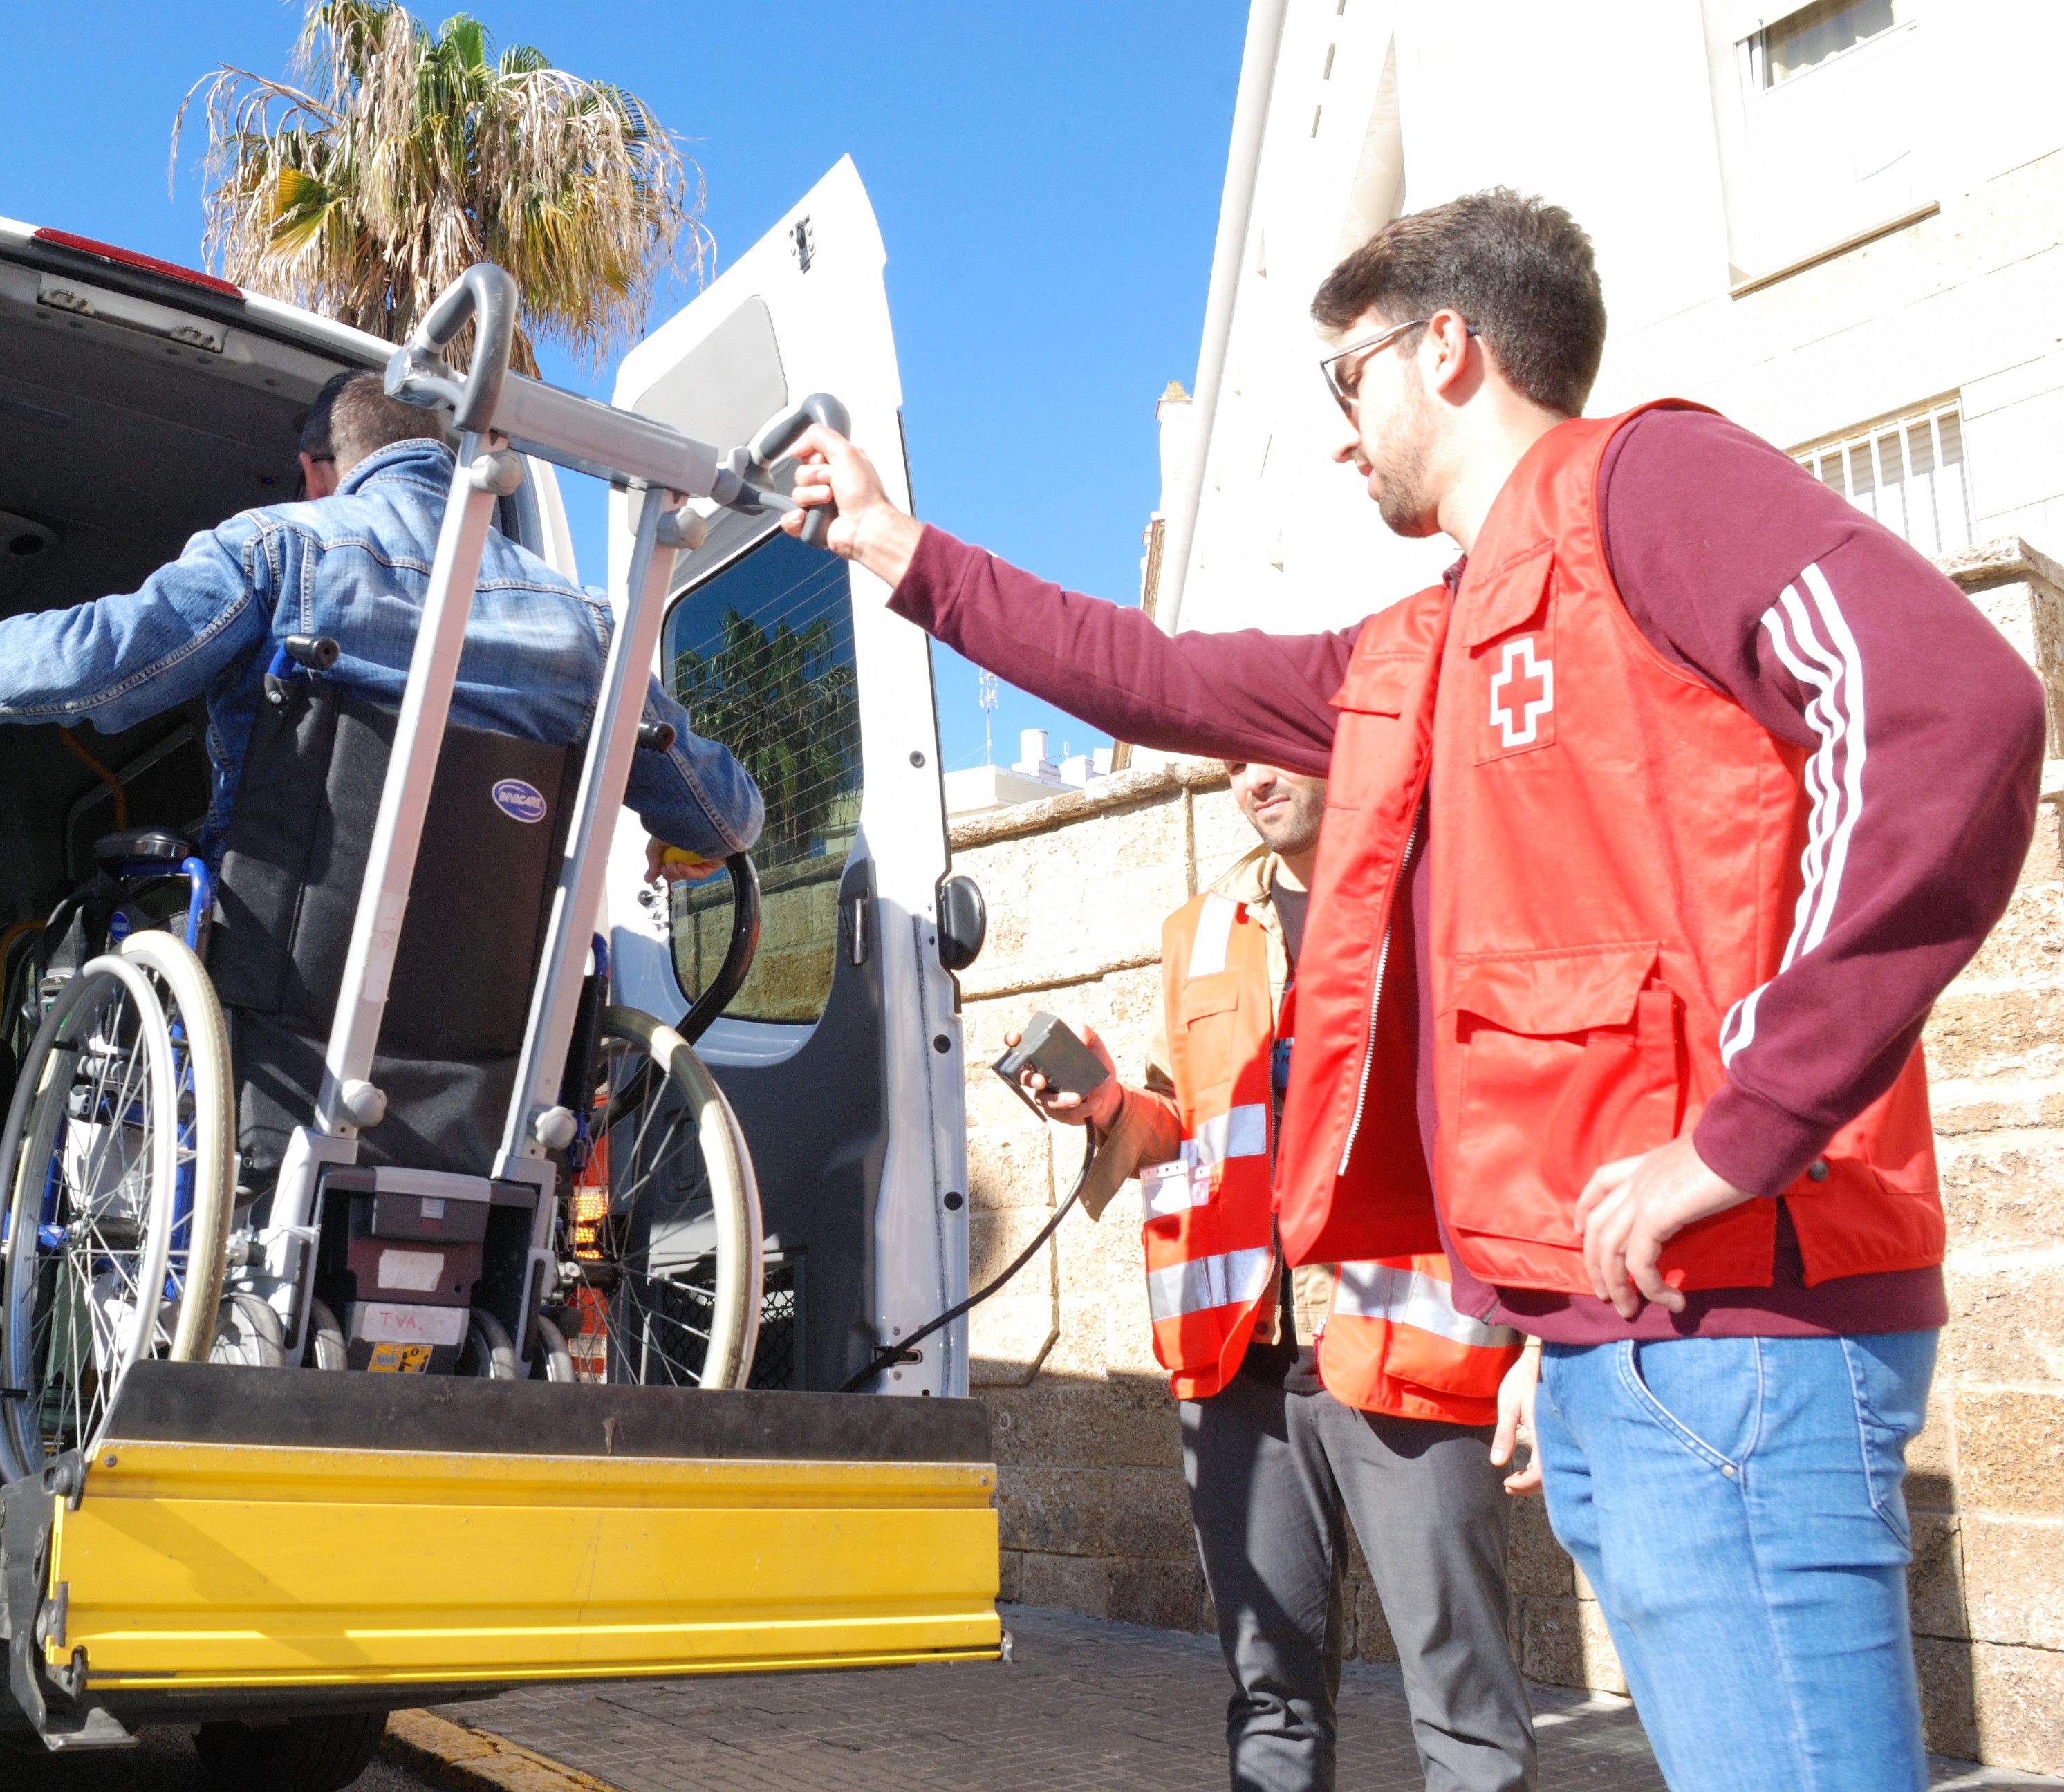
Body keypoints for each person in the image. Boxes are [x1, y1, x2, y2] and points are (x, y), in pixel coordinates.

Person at [787, 190, 2044, 1792]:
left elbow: (1947, 705)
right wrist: (904, 552)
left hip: (1740, 1329)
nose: (1338, 435)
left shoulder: (1646, 487)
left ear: (1445, 347)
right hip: (1619, 1347)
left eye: (1344, 383)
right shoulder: (1426, 645)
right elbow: (1158, 677)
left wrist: (1751, 1124)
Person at [0, 369, 763, 1163]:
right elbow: (723, 814)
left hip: (280, 1005)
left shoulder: (278, 547)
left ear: (317, 469)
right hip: (498, 1046)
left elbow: (104, 659)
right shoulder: (584, 622)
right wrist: (697, 846)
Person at [1022, 759, 1535, 1792]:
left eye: (1269, 743)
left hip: (1412, 1354)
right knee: (1270, 1700)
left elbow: (1523, 1120)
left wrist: (1545, 1336)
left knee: (1464, 1707)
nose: (1249, 774)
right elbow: (1196, 1129)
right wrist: (1113, 1108)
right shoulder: (1199, 931)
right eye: (1228, 756)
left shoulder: (1446, 901)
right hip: (1241, 1360)